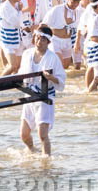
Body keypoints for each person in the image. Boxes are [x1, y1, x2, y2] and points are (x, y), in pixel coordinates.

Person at [19, 26, 66, 156]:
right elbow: (21, 75)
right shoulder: (27, 54)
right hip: (29, 96)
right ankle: (33, 150)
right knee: (23, 134)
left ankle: (46, 162)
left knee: (43, 135)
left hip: (45, 98)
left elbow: (62, 80)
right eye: (37, 38)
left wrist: (51, 78)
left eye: (43, 40)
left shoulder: (53, 58)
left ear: (48, 42)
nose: (39, 42)